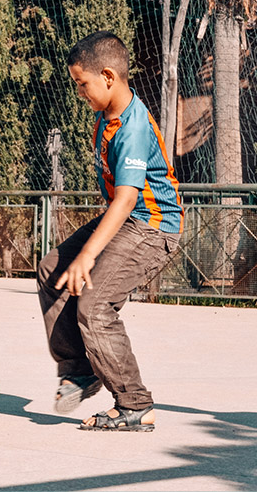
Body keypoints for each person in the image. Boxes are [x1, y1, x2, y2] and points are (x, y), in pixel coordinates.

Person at [37, 31, 183, 431]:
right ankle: (82, 370)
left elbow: (126, 199)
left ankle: (135, 405)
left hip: (154, 227)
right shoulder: (107, 116)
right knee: (53, 270)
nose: (80, 92)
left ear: (107, 76)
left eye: (82, 84)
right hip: (131, 221)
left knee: (95, 306)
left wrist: (88, 255)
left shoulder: (132, 126)